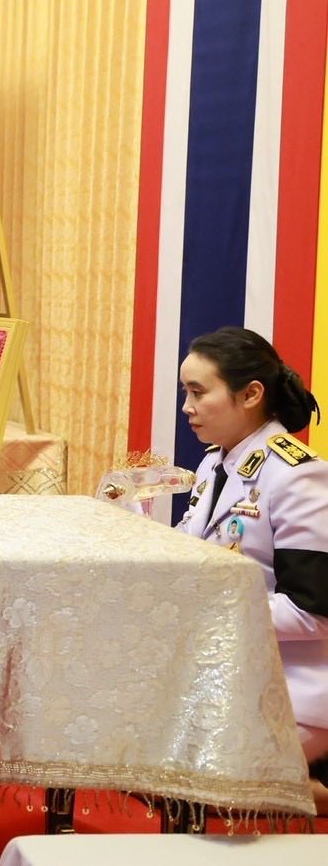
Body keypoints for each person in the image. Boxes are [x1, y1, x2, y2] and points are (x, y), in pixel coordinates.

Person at [175, 327, 328, 813]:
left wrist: (214, 610)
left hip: (293, 685)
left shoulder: (298, 475)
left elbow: (313, 612)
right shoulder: (213, 465)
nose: (187, 407)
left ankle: (313, 788)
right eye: (185, 392)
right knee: (135, 751)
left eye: (198, 392)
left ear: (251, 394)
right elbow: (196, 555)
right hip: (229, 670)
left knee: (194, 786)